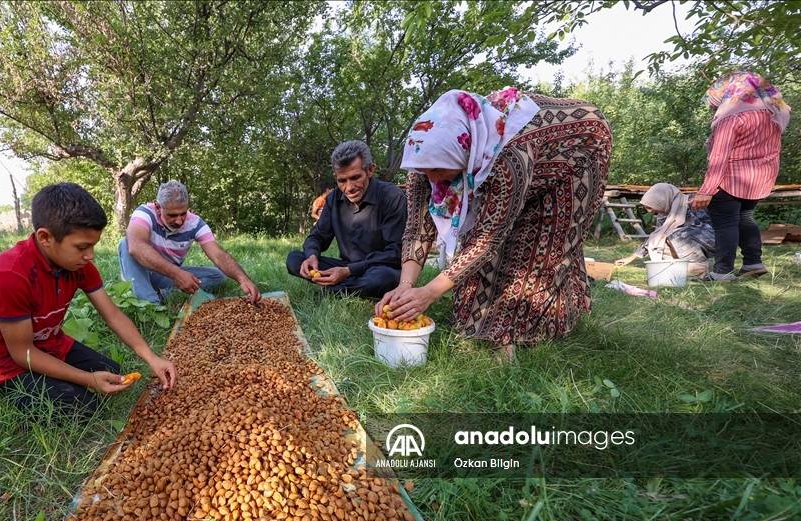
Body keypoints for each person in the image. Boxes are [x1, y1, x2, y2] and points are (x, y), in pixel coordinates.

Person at [376, 87, 613, 355]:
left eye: (438, 170)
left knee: (541, 243)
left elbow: (488, 239)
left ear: (464, 153)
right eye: (424, 171)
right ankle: (486, 325)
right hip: (524, 155)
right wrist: (405, 286)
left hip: (579, 150)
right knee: (471, 271)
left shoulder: (507, 161)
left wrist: (429, 292)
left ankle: (535, 327)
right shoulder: (424, 161)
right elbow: (417, 230)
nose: (432, 179)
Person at [0, 182, 176, 414]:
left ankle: (53, 378)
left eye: (93, 246)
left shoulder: (77, 265)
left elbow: (112, 315)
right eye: (82, 247)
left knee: (114, 373)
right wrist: (86, 379)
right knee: (81, 406)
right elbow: (23, 354)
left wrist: (151, 358)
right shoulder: (7, 276)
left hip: (49, 343)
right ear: (45, 238)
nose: (90, 256)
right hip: (5, 361)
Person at [689, 70, 791, 281]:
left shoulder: (732, 116)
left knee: (725, 223)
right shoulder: (774, 114)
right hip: (758, 180)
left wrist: (706, 191)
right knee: (745, 218)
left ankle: (722, 272)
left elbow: (719, 155)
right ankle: (753, 263)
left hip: (729, 179)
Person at [286, 141, 406, 299]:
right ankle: (349, 287)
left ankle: (333, 291)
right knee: (294, 259)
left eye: (355, 177)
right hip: (345, 267)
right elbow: (317, 236)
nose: (349, 188)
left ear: (370, 170)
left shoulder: (392, 197)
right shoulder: (334, 198)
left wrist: (349, 271)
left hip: (379, 268)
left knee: (384, 278)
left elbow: (396, 253)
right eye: (342, 181)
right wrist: (312, 256)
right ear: (335, 178)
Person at [118, 181, 261, 305]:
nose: (179, 220)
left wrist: (243, 279)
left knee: (218, 276)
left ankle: (166, 295)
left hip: (167, 275)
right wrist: (177, 274)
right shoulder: (144, 213)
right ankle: (151, 305)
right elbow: (136, 246)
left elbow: (217, 255)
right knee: (126, 243)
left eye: (183, 213)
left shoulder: (196, 223)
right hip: (140, 272)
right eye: (172, 215)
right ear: (158, 207)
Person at [614, 183, 715, 276]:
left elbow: (712, 227)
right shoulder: (663, 214)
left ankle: (699, 265)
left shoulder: (692, 202)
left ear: (662, 200)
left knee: (675, 235)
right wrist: (631, 258)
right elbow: (656, 237)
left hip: (715, 238)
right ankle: (681, 267)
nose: (649, 211)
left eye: (651, 207)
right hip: (686, 240)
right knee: (659, 242)